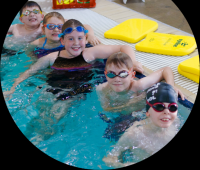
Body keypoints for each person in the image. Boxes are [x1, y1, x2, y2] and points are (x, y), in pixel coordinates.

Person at [3, 19, 143, 99]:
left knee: (59, 113)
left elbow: (124, 47)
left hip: (78, 93)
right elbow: (29, 72)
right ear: (62, 41)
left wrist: (132, 62)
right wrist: (13, 89)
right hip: (52, 90)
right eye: (71, 39)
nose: (76, 43)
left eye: (80, 38)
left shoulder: (91, 53)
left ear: (85, 39)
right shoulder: (51, 58)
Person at [102, 82, 181, 167]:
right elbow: (109, 159)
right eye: (159, 107)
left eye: (172, 107)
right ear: (147, 112)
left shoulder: (176, 123)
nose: (167, 112)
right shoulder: (134, 134)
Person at [96, 52, 184, 113]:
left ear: (132, 75)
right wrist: (134, 102)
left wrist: (170, 87)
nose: (117, 79)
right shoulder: (102, 89)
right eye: (111, 74)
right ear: (105, 74)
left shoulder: (138, 86)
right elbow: (106, 109)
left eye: (123, 74)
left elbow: (166, 69)